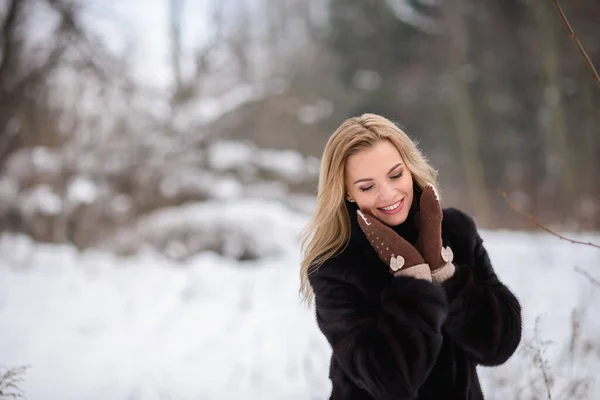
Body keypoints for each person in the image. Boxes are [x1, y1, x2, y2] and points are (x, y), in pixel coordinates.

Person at [299, 113, 522, 399]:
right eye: (367, 186)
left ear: (410, 167)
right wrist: (413, 283)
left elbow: (497, 346)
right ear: (348, 193)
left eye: (395, 175)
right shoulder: (336, 265)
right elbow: (389, 381)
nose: (389, 194)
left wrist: (444, 274)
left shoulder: (455, 231)